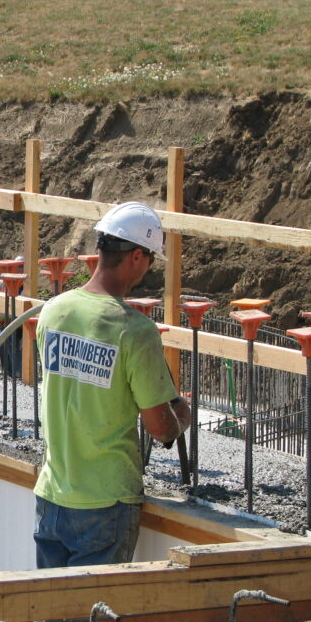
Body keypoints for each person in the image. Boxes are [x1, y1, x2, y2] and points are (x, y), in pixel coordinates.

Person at [34, 202, 190, 568]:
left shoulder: (55, 310)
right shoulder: (134, 330)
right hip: (105, 503)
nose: (147, 268)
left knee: (53, 617)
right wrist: (183, 413)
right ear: (137, 255)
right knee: (95, 619)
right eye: (150, 259)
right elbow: (160, 427)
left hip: (52, 496)